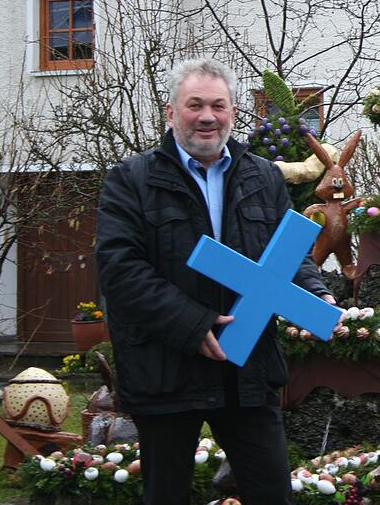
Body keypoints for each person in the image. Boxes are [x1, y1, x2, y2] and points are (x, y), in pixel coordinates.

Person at [96, 58, 335, 505]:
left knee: (271, 493)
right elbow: (119, 269)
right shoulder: (131, 180)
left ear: (232, 112)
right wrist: (193, 322)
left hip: (247, 368)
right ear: (171, 113)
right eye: (195, 105)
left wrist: (315, 292)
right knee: (166, 495)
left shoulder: (263, 177)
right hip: (167, 368)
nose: (208, 116)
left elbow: (288, 254)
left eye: (219, 106)